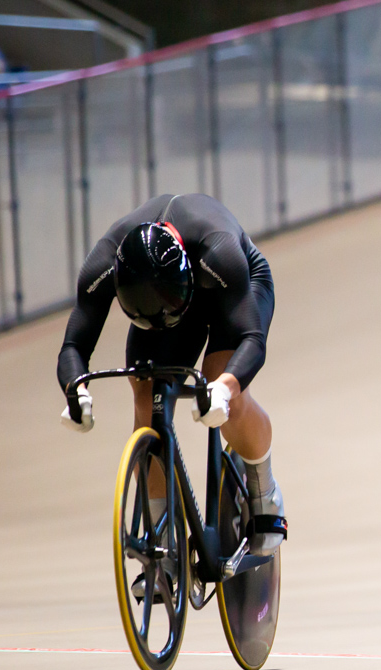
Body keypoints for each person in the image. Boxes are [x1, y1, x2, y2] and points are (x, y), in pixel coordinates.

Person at [56, 193, 286, 575]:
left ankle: (265, 491)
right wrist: (74, 390)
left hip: (233, 287)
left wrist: (225, 388)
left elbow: (252, 340)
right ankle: (158, 544)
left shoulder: (220, 251)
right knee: (145, 398)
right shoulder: (103, 263)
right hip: (169, 305)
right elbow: (73, 345)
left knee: (219, 380)